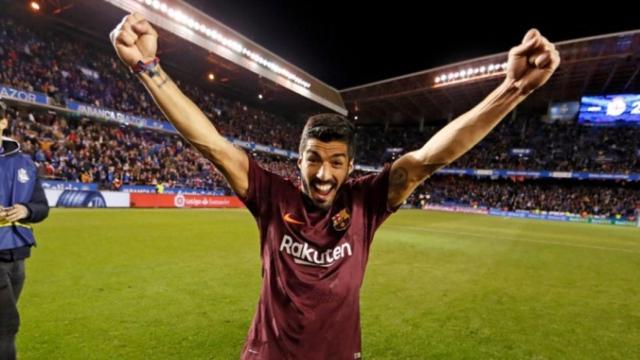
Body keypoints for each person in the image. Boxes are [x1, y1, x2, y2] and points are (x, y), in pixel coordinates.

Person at [110, 13, 559, 359]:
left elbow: (428, 159)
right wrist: (147, 67)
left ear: (351, 167)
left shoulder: (367, 202)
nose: (323, 174)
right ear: (299, 157)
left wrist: (513, 89)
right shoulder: (271, 196)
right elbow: (211, 144)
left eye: (336, 163)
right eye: (313, 160)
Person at [0, 100, 50, 360]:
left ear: (3, 122)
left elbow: (42, 207)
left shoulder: (26, 164)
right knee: (6, 324)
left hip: (18, 254)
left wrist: (25, 210)